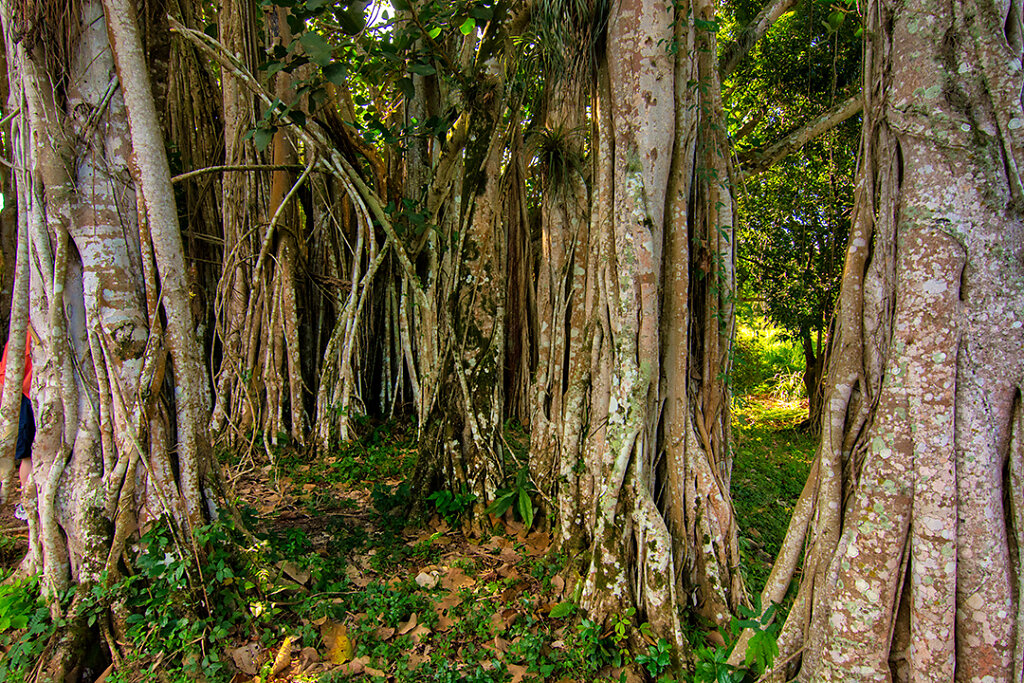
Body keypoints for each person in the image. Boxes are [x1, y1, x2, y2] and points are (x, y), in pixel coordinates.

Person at [0, 333, 33, 521]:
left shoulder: (23, 335)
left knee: (30, 454)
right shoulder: (22, 336)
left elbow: (5, 378)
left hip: (34, 397)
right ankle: (27, 500)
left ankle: (29, 501)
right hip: (27, 398)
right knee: (28, 454)